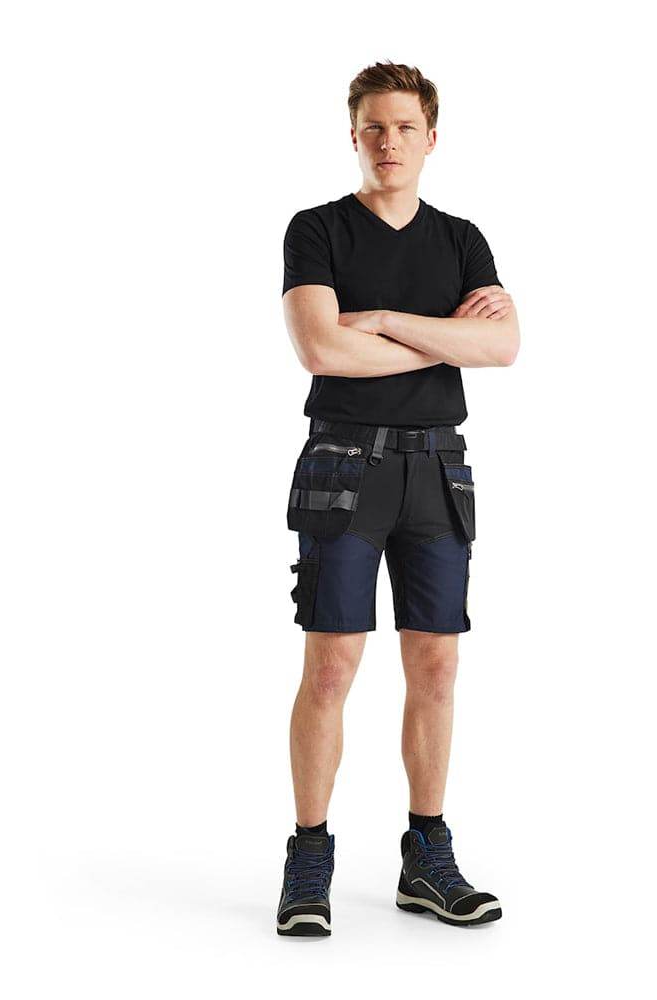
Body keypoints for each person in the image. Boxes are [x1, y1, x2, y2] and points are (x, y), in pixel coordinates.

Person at [277, 61, 519, 937]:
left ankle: (426, 857)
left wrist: (379, 320)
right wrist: (447, 339)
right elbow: (321, 351)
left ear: (431, 138)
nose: (389, 142)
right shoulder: (317, 230)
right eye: (374, 127)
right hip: (344, 468)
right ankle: (310, 857)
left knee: (437, 665)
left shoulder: (461, 240)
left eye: (405, 127)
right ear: (354, 135)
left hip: (437, 470)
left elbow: (503, 348)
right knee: (331, 665)